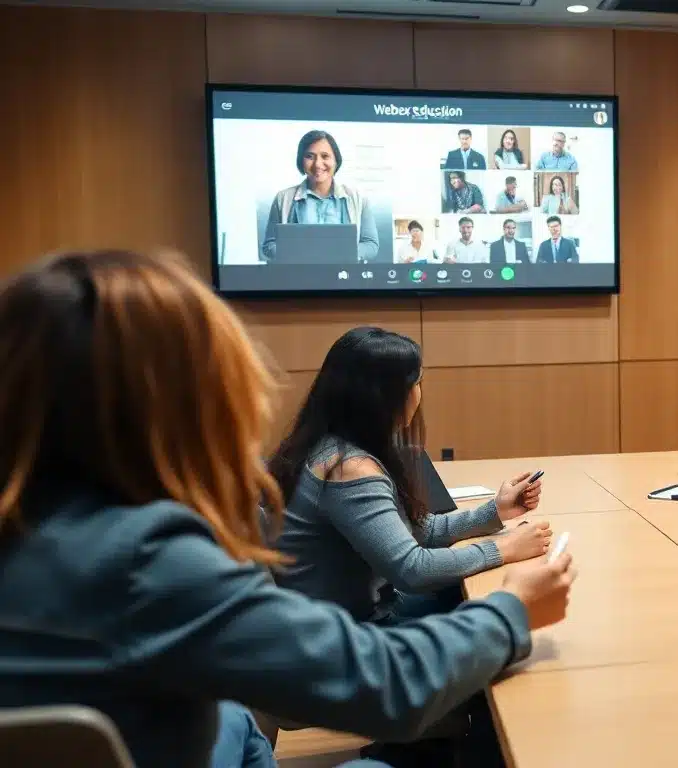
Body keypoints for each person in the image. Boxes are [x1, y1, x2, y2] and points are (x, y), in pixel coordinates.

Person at [0, 250, 577, 768]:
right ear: (181, 404)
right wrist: (514, 608)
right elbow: (389, 687)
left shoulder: (36, 534)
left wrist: (491, 522)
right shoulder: (146, 561)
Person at [268, 326, 551, 625]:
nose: (420, 393)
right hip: (356, 633)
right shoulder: (347, 469)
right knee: (511, 611)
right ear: (383, 397)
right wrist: (506, 547)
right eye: (417, 382)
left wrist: (495, 511)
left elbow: (417, 531)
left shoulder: (327, 445)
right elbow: (412, 570)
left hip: (358, 614)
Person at [262, 130, 379, 263]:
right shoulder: (283, 198)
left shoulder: (358, 198)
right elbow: (269, 245)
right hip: (298, 279)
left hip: (345, 278)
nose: (318, 164)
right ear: (301, 160)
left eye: (325, 156)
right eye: (310, 156)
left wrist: (340, 255)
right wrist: (302, 256)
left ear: (336, 160)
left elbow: (370, 244)